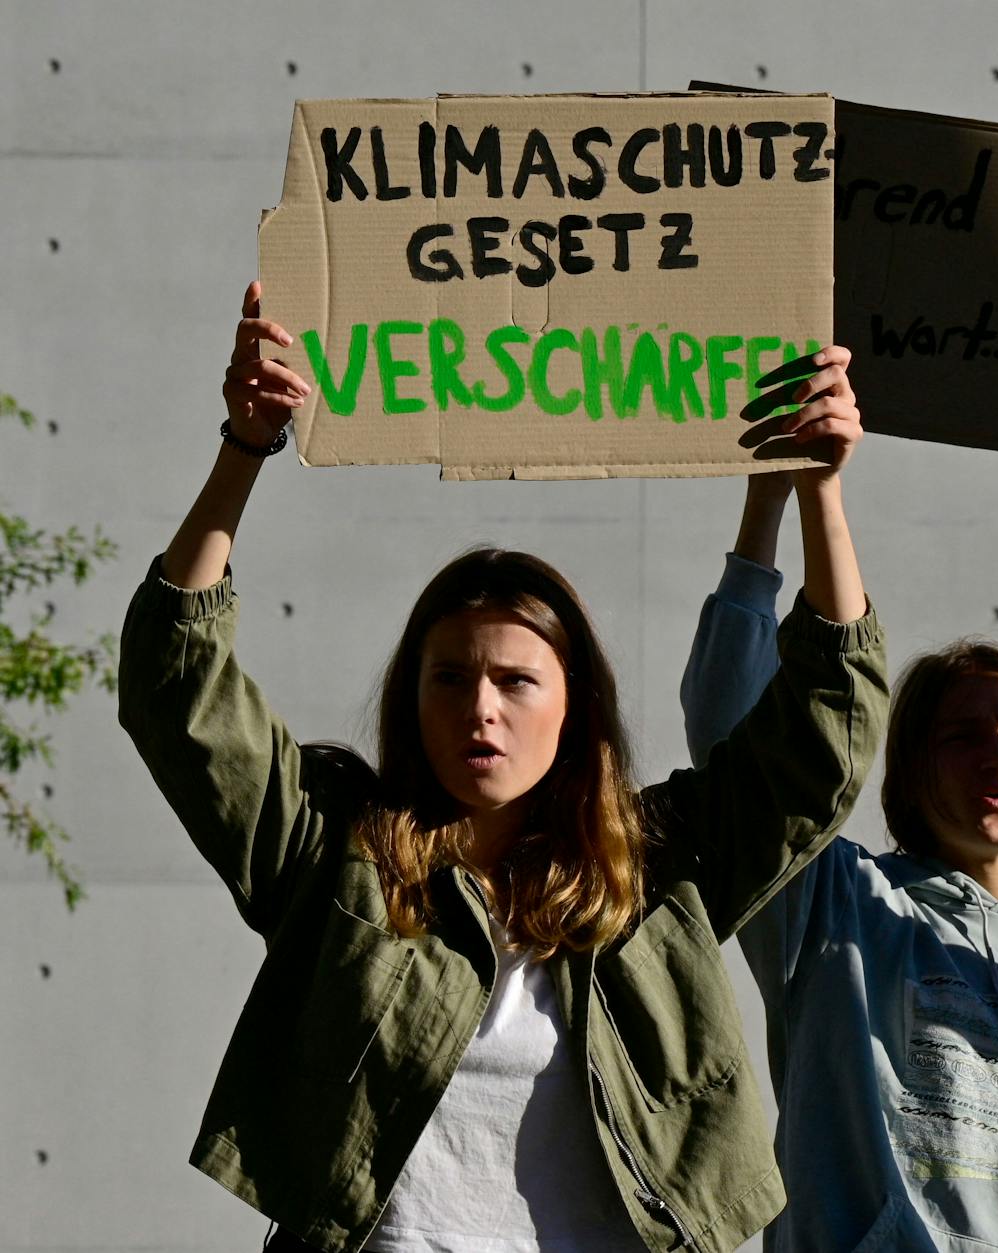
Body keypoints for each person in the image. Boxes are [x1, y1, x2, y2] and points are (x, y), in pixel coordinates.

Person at [117, 283, 888, 1253]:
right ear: (411, 695)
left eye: (515, 680)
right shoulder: (336, 852)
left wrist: (818, 487)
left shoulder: (659, 870)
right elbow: (173, 684)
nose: (480, 706)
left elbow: (828, 731)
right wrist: (245, 447)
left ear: (576, 707)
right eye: (450, 676)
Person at [678, 474, 998, 1252]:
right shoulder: (833, 905)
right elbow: (731, 735)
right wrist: (782, 501)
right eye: (964, 735)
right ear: (914, 768)